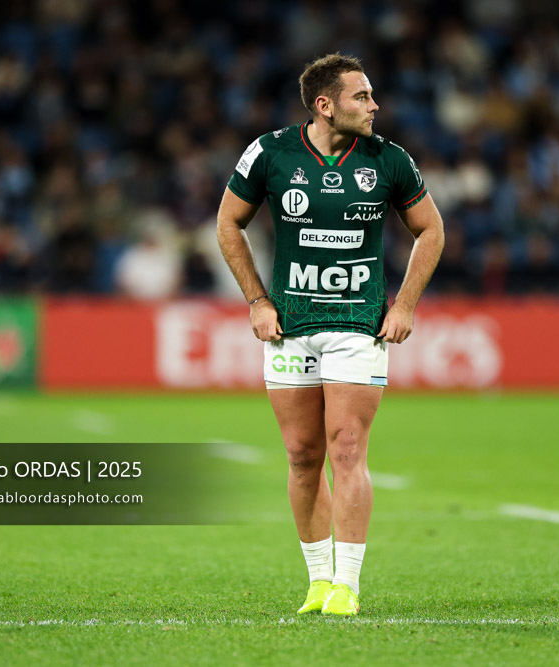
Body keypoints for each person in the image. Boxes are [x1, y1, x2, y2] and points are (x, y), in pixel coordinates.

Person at [217, 54, 444, 616]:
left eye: (372, 95)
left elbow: (431, 229)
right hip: (288, 330)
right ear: (326, 105)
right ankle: (318, 581)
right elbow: (228, 223)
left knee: (347, 450)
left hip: (355, 328)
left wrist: (406, 304)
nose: (374, 106)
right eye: (362, 97)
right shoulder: (269, 154)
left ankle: (348, 584)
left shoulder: (389, 160)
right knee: (300, 455)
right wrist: (257, 301)